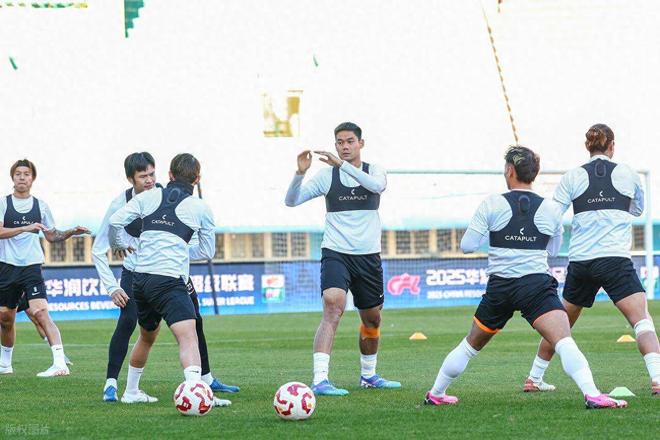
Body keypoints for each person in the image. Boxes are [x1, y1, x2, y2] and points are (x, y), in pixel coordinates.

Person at [424, 146, 626, 409]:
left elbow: (468, 246)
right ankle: (593, 394)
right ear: (534, 173)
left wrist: (499, 236)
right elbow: (553, 251)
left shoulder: (492, 203)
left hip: (500, 288)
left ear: (510, 170)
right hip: (535, 287)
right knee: (564, 341)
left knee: (469, 345)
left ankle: (436, 393)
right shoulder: (551, 209)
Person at [522, 124, 659, 396]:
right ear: (612, 146)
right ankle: (657, 379)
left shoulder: (572, 176)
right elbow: (637, 209)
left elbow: (552, 216)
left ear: (588, 146)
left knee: (559, 324)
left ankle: (534, 378)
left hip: (582, 262)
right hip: (614, 260)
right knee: (642, 321)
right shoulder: (628, 174)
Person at [93, 152, 238, 403]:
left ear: (169, 175)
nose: (149, 179)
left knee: (147, 335)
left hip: (140, 279)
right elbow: (207, 252)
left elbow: (115, 222)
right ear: (197, 179)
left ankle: (131, 392)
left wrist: (118, 244)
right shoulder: (201, 207)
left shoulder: (147, 197)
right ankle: (198, 395)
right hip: (168, 280)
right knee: (188, 335)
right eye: (143, 175)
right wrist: (178, 250)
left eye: (152, 174)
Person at [285, 122, 400, 396]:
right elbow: (292, 200)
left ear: (361, 143)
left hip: (368, 257)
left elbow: (376, 186)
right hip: (336, 253)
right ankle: (320, 380)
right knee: (333, 306)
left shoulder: (375, 171)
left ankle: (368, 376)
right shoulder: (327, 176)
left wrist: (343, 165)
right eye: (339, 142)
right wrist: (299, 173)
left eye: (350, 141)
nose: (344, 146)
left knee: (372, 319)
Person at [0, 159, 89, 377]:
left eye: (26, 174)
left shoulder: (41, 206)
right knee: (5, 319)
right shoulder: (3, 203)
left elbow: (51, 235)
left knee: (40, 312)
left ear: (32, 178)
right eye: (18, 174)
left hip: (32, 266)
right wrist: (25, 228)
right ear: (13, 177)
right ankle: (5, 364)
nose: (22, 177)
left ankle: (59, 363)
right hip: (7, 266)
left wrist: (70, 232)